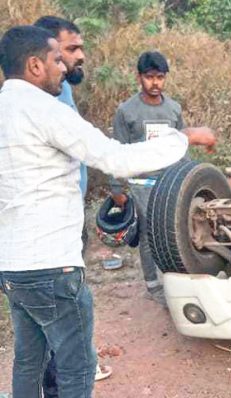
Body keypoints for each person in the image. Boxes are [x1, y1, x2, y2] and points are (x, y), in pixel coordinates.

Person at [0, 26, 215, 397]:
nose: (63, 67)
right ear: (35, 65)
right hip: (53, 265)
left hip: (13, 267)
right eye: (56, 60)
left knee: (29, 362)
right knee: (77, 367)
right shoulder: (44, 110)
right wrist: (185, 137)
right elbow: (116, 157)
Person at [33, 15, 111, 397]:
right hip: (47, 227)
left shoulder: (61, 91)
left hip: (66, 218)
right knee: (63, 315)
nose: (80, 56)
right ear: (45, 56)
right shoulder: (41, 100)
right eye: (71, 49)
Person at [107, 51, 205, 305]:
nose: (155, 83)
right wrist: (116, 188)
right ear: (139, 77)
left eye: (160, 77)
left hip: (170, 181)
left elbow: (182, 147)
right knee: (150, 232)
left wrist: (190, 177)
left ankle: (177, 280)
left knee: (176, 229)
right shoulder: (127, 111)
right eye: (149, 77)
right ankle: (153, 284)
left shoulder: (173, 109)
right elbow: (116, 150)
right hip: (142, 183)